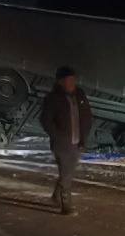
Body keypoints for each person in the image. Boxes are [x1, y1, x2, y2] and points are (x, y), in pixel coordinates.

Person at [39, 66, 93, 215]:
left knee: (67, 172)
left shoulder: (80, 94)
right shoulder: (52, 98)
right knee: (66, 173)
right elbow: (45, 120)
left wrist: (85, 135)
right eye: (68, 80)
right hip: (61, 144)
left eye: (73, 80)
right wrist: (56, 135)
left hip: (78, 141)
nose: (72, 83)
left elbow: (87, 115)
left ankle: (56, 195)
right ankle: (66, 205)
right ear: (60, 82)